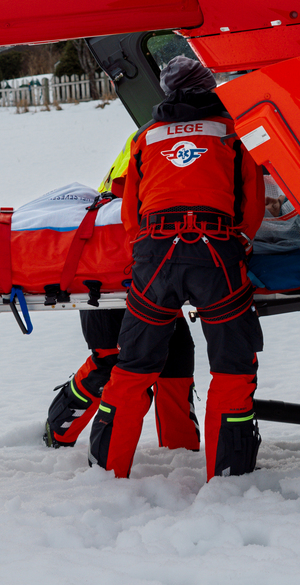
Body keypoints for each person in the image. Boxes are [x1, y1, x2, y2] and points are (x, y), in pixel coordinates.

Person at [90, 56, 265, 480]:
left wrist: (147, 249)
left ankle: (108, 474)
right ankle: (228, 475)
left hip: (154, 255)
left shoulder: (145, 137)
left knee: (132, 367)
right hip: (215, 251)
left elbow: (130, 209)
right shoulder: (230, 131)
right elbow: (251, 202)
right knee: (232, 365)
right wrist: (236, 242)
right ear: (209, 87)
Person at [42, 130, 199, 451]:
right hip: (106, 270)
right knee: (110, 364)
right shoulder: (160, 139)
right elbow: (128, 206)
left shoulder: (180, 134)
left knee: (176, 359)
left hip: (151, 272)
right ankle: (57, 435)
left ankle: (181, 452)